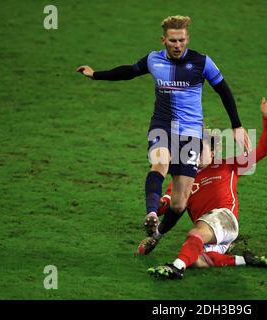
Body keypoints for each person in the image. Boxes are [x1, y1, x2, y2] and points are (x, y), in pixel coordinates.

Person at [76, 15, 251, 240]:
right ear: (163, 41)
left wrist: (236, 125)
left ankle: (156, 235)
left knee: (179, 203)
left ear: (187, 39)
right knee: (159, 162)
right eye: (172, 41)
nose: (177, 45)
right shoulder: (153, 60)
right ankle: (151, 213)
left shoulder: (202, 62)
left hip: (190, 133)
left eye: (181, 40)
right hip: (163, 126)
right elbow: (128, 71)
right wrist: (95, 75)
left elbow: (223, 90)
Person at [144, 90, 267, 279]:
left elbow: (264, 149)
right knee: (197, 259)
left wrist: (266, 118)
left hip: (224, 218)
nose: (195, 154)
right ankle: (244, 260)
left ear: (213, 151)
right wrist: (153, 215)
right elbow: (165, 206)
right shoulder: (182, 179)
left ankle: (176, 267)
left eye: (201, 149)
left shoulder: (228, 165)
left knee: (195, 234)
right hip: (212, 231)